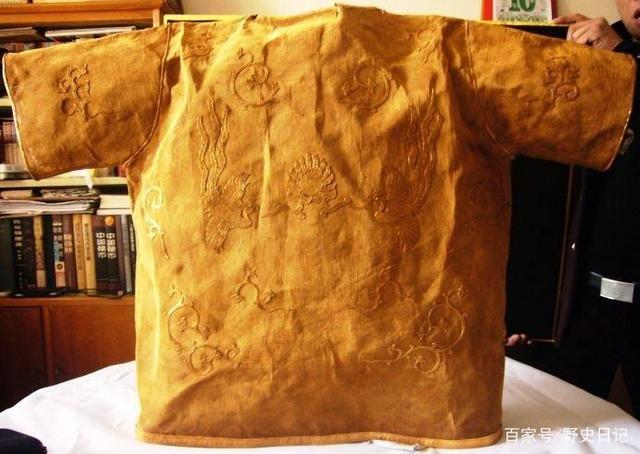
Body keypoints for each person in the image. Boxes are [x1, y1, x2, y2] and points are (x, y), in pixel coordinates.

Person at [545, 1, 640, 419]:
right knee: (568, 428)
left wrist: (622, 57)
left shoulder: (614, 48)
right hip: (585, 302)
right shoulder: (589, 47)